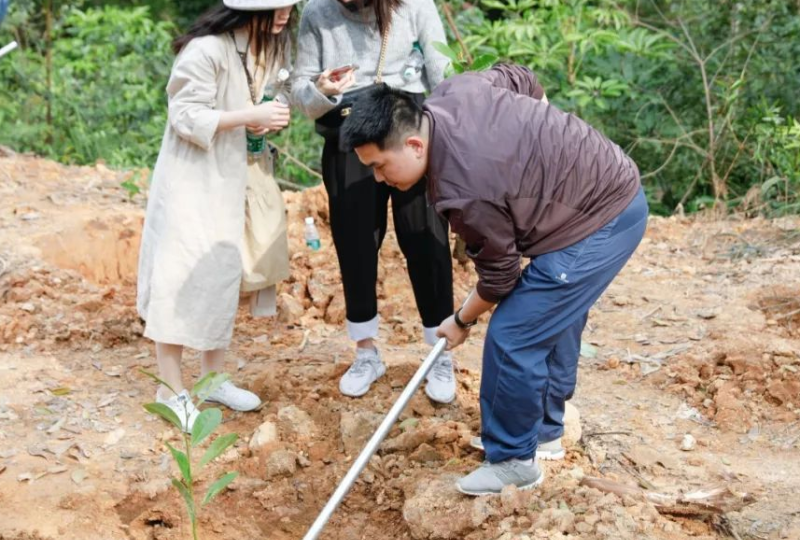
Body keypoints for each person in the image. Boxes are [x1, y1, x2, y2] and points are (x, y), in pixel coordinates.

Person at [339, 63, 648, 495]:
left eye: (380, 165)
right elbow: (520, 75)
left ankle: (512, 463)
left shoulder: (464, 188)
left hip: (603, 217)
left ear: (412, 144)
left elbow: (501, 278)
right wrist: (541, 132)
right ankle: (544, 432)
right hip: (591, 196)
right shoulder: (453, 93)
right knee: (548, 311)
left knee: (514, 333)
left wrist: (460, 321)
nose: (377, 178)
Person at [136, 0, 300, 432]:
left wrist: (264, 120)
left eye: (288, 6)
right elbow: (186, 115)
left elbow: (269, 97)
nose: (284, 13)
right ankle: (169, 390)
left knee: (221, 276)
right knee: (180, 276)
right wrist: (251, 116)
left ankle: (212, 380)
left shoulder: (268, 46)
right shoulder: (206, 50)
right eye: (275, 7)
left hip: (237, 178)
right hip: (194, 180)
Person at [291, 0, 457, 403]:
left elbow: (443, 74)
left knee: (426, 238)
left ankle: (440, 351)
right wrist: (320, 89)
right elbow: (299, 91)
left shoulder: (415, 6)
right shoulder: (318, 13)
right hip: (348, 136)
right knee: (355, 243)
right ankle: (365, 351)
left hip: (405, 129)